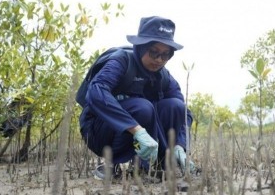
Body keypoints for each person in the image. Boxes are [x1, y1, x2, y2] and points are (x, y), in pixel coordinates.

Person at [79, 16, 196, 179]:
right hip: (99, 130)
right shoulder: (120, 61)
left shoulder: (164, 77)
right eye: (153, 52)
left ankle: (152, 164)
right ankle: (112, 165)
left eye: (165, 55)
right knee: (143, 107)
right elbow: (95, 92)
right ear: (140, 47)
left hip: (145, 132)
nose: (159, 60)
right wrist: (136, 129)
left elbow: (185, 114)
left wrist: (180, 145)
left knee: (176, 106)